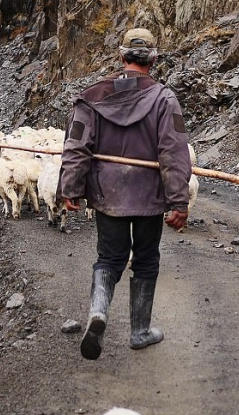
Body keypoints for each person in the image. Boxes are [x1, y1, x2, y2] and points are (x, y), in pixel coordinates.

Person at [56, 27, 191, 360]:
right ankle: (139, 332)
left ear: (121, 57)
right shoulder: (164, 99)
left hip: (108, 195)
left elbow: (76, 145)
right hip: (149, 198)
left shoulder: (91, 97)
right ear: (154, 59)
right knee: (145, 261)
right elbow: (174, 150)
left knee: (109, 259)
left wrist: (70, 187)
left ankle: (98, 313)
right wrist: (179, 201)